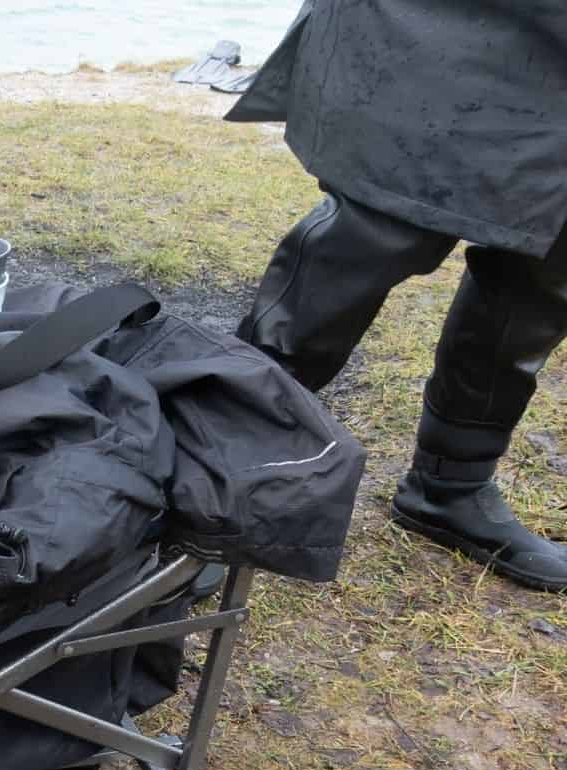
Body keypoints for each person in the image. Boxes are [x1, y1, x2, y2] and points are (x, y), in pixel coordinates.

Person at [227, 1, 567, 590]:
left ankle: (449, 486)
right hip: (444, 25)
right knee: (380, 228)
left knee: (546, 262)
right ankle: (217, 472)